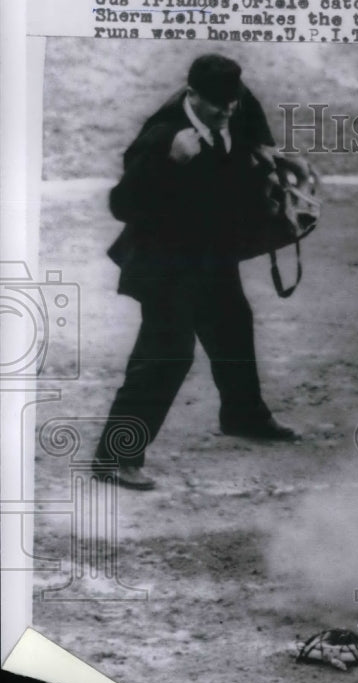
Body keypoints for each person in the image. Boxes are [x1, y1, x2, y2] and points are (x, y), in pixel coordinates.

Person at [92, 54, 299, 491]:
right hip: (163, 263)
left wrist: (266, 150)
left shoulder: (233, 105)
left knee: (232, 326)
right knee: (166, 353)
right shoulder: (162, 136)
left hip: (209, 251)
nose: (226, 112)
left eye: (231, 104)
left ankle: (243, 416)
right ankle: (114, 457)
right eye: (217, 105)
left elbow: (248, 110)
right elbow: (121, 204)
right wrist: (170, 162)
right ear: (192, 96)